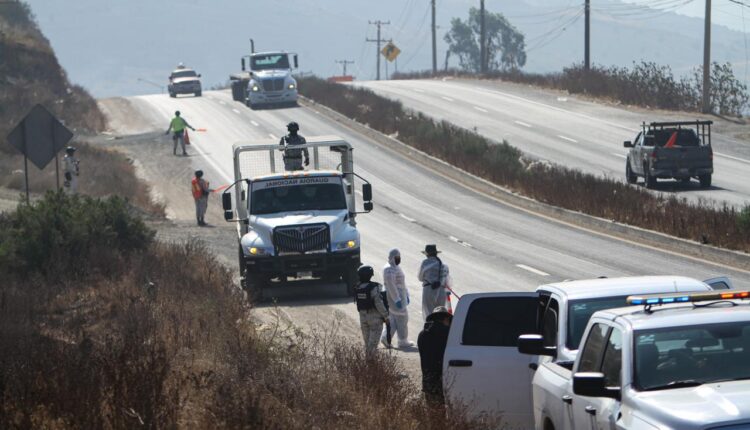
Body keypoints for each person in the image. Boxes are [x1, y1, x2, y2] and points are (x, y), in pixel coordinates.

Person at [418, 306, 452, 407]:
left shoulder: (422, 334)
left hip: (427, 380)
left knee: (432, 412)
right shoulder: (448, 333)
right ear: (445, 319)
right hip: (443, 379)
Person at [381, 249, 415, 349]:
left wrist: (407, 295)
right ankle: (402, 340)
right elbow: (391, 286)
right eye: (397, 257)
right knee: (402, 318)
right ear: (392, 257)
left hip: (400, 296)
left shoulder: (396, 267)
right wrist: (397, 299)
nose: (398, 259)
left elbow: (402, 283)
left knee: (393, 319)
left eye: (399, 257)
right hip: (394, 298)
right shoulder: (388, 269)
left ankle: (386, 338)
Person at [355, 265, 389, 356]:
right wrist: (386, 316)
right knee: (372, 346)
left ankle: (369, 365)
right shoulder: (374, 287)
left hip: (363, 319)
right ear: (370, 275)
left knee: (368, 345)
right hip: (375, 319)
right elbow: (378, 303)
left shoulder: (358, 287)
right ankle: (371, 366)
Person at [418, 244, 451, 322]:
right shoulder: (443, 265)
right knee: (440, 313)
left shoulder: (425, 263)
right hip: (441, 291)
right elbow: (447, 280)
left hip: (429, 289)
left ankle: (430, 329)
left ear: (427, 254)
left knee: (429, 313)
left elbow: (420, 277)